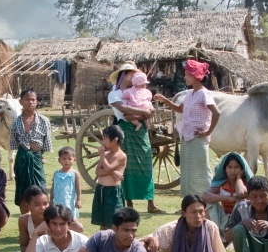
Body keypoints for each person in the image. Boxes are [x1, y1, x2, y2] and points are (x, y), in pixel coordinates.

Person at [155, 59, 220, 197]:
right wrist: (164, 100)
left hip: (197, 137)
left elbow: (216, 112)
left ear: (196, 76)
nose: (185, 77)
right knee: (187, 171)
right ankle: (189, 202)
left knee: (200, 170)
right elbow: (179, 109)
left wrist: (208, 131)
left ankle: (205, 200)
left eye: (187, 75)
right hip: (187, 135)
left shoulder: (204, 93)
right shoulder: (190, 94)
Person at [108, 62, 161, 213]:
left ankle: (151, 203)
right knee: (127, 166)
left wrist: (147, 111)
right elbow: (123, 109)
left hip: (141, 131)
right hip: (125, 129)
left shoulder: (140, 91)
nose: (133, 76)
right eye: (130, 73)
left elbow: (148, 106)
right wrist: (143, 113)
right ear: (124, 75)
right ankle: (128, 203)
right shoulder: (115, 94)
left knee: (146, 163)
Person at [10, 185, 84, 252]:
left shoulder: (54, 217)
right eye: (37, 204)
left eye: (45, 203)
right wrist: (37, 251)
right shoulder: (24, 220)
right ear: (27, 205)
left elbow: (79, 227)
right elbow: (24, 245)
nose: (43, 208)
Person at [10, 88, 52, 209]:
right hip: (22, 160)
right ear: (21, 102)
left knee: (40, 189)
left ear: (37, 101)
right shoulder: (15, 122)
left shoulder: (44, 121)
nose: (30, 102)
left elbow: (47, 144)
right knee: (23, 192)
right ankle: (25, 221)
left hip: (37, 159)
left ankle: (40, 222)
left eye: (33, 99)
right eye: (27, 99)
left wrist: (39, 155)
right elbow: (13, 144)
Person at [203, 152, 252, 232]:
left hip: (240, 219)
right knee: (209, 203)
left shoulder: (246, 184)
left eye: (236, 167)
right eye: (229, 167)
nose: (233, 171)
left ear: (242, 169)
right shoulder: (221, 184)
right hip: (224, 218)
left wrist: (239, 177)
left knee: (242, 201)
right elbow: (205, 196)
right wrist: (228, 198)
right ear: (225, 169)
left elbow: (240, 193)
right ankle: (214, 232)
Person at [92, 124, 127, 230]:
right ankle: (102, 243)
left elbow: (107, 168)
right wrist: (113, 173)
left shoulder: (121, 156)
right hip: (101, 189)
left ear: (114, 140)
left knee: (113, 221)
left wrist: (102, 156)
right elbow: (97, 171)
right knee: (102, 222)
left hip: (113, 192)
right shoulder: (106, 154)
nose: (103, 141)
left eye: (105, 138)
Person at [51, 146, 81, 219]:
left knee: (69, 218)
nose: (67, 161)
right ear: (59, 160)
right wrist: (51, 200)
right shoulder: (56, 173)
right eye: (64, 159)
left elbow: (78, 188)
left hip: (69, 201)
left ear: (74, 160)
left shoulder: (74, 173)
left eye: (69, 159)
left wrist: (78, 200)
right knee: (57, 217)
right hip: (57, 201)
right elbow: (53, 187)